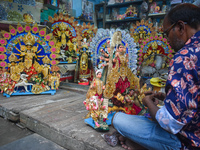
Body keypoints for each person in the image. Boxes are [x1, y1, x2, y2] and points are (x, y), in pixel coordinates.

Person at [110, 3, 200, 150]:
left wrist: (147, 102)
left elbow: (169, 122)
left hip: (188, 143)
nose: (167, 40)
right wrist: (167, 98)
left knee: (118, 119)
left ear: (180, 27)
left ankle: (145, 144)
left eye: (166, 33)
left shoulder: (185, 57)